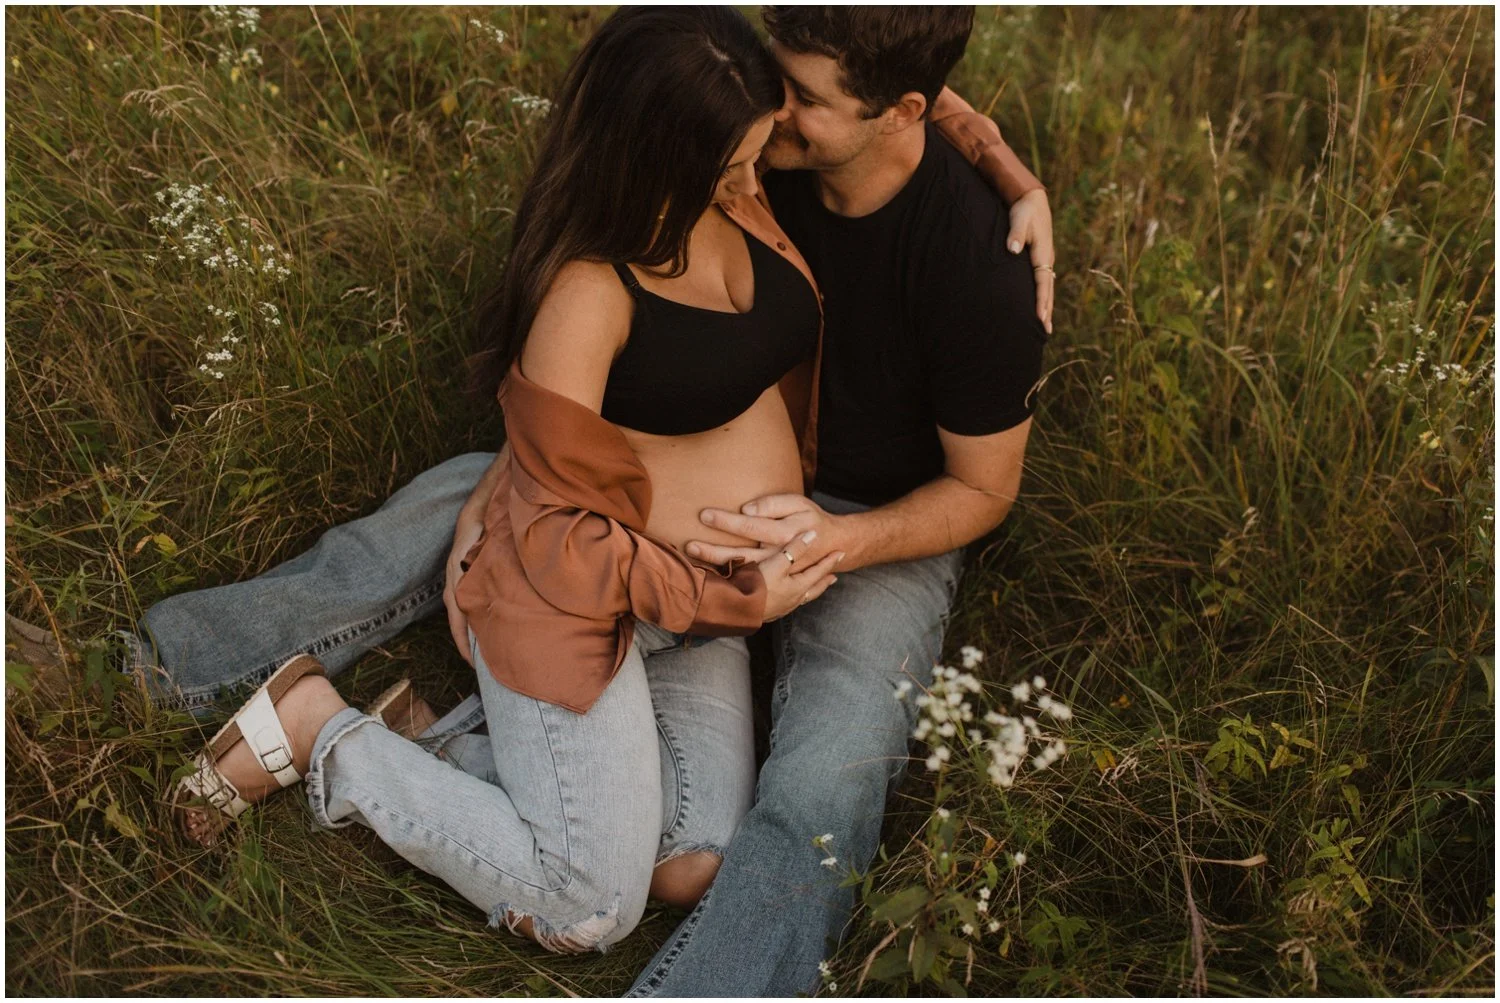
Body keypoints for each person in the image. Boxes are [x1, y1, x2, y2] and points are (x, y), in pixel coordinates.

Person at [104, 3, 1051, 985]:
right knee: (446, 531)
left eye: (799, 101)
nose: (774, 123)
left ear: (903, 112)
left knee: (785, 810)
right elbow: (711, 76)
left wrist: (1006, 166)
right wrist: (539, 486)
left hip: (850, 537)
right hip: (625, 553)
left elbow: (985, 488)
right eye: (772, 93)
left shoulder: (971, 262)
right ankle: (153, 675)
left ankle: (448, 755)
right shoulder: (736, 158)